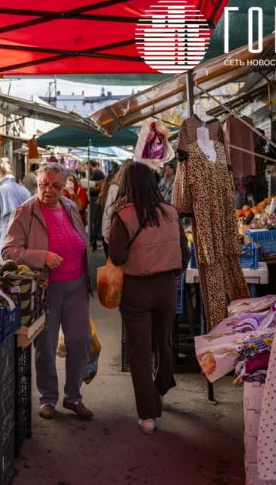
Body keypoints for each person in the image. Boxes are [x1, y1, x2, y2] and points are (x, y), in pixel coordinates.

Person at [2, 162, 93, 420]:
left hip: (76, 285)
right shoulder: (25, 212)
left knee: (80, 340)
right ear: (37, 183)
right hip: (46, 287)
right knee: (46, 343)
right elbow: (8, 251)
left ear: (64, 187)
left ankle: (73, 397)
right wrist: (43, 257)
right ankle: (48, 398)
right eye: (44, 185)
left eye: (55, 185)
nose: (49, 190)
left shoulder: (71, 206)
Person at [108, 162, 190, 435]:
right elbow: (184, 250)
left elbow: (118, 256)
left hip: (135, 290)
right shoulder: (170, 213)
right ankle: (162, 386)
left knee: (139, 351)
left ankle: (148, 415)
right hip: (167, 287)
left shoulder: (123, 216)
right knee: (163, 341)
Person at [100, 160, 132, 257]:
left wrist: (106, 232)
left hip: (118, 227)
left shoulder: (114, 187)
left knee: (117, 258)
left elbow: (108, 211)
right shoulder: (137, 186)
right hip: (133, 228)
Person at [88, 159, 106, 251]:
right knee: (96, 218)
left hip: (96, 198)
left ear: (90, 165)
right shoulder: (96, 173)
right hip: (95, 198)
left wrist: (89, 189)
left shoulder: (97, 173)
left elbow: (100, 187)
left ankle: (96, 237)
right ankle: (96, 237)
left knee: (95, 218)